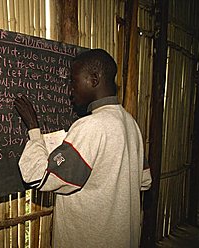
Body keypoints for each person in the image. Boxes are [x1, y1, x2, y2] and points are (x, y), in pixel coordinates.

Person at [14, 49, 152, 248]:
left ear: (94, 79)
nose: (69, 90)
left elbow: (38, 176)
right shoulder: (131, 124)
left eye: (73, 81)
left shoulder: (90, 126)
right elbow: (145, 182)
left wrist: (34, 130)